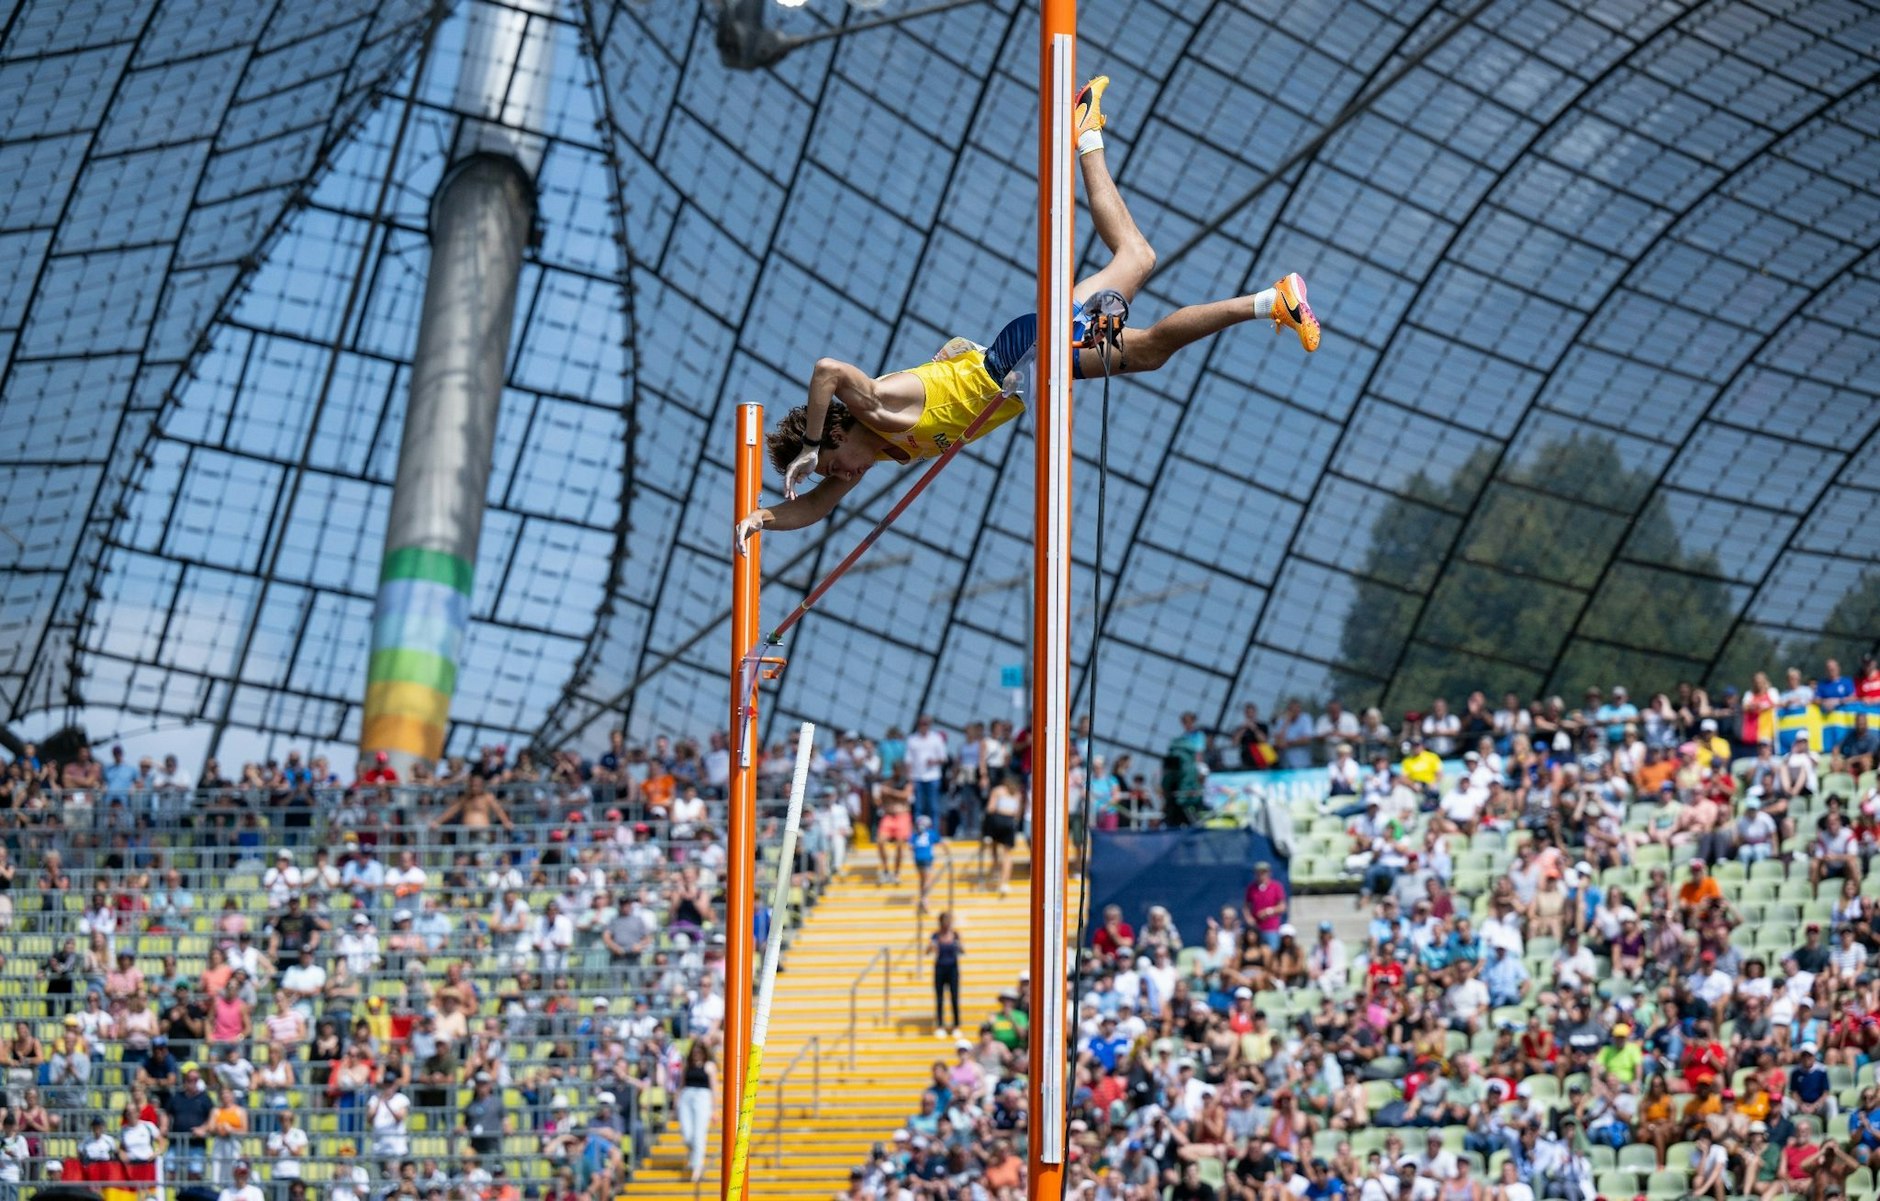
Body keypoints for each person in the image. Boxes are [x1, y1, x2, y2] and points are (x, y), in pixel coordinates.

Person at [737, 78, 1320, 548]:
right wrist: (760, 517)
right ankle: (1091, 135)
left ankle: (1270, 297)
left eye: (830, 464)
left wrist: (809, 444)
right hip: (1026, 369)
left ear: (837, 432)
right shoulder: (873, 456)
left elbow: (827, 371)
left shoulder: (874, 407)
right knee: (1143, 299)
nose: (839, 476)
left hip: (1023, 354)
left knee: (1142, 307)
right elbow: (814, 509)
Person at [676, 1040, 716, 1184]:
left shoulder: (709, 1066)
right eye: (695, 1051)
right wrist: (676, 1102)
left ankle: (697, 1168)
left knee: (699, 1135)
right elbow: (681, 1085)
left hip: (703, 1098)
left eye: (699, 1052)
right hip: (687, 1096)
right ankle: (695, 1158)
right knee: (687, 1135)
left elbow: (714, 1088)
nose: (697, 1054)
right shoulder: (687, 1065)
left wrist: (715, 1109)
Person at [929, 910, 964, 1039]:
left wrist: (959, 945)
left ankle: (956, 1025)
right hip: (940, 968)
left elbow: (962, 951)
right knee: (940, 998)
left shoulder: (955, 935)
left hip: (952, 968)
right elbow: (928, 951)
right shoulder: (935, 936)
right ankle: (940, 1025)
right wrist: (932, 947)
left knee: (954, 996)